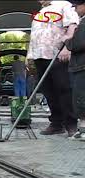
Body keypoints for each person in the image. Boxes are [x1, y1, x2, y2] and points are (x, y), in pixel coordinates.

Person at [26, 0, 78, 137]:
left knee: (64, 89)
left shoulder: (63, 5)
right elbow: (35, 35)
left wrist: (67, 47)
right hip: (39, 55)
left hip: (57, 54)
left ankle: (71, 124)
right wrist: (29, 55)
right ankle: (56, 123)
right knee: (48, 91)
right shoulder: (40, 12)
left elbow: (72, 26)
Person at [65, 0, 85, 140]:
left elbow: (77, 44)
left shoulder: (84, 23)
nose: (75, 9)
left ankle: (83, 130)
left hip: (82, 66)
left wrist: (67, 40)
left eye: (77, 6)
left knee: (80, 98)